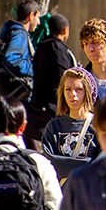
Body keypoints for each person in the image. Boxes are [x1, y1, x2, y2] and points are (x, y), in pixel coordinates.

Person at [28, 12, 78, 146]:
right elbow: (64, 77)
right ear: (65, 30)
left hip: (38, 107)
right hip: (53, 110)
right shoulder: (58, 50)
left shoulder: (41, 48)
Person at [42, 66, 103, 173]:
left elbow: (101, 164)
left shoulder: (100, 126)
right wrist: (87, 164)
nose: (73, 94)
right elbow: (49, 164)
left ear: (87, 92)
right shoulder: (54, 127)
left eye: (79, 89)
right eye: (68, 89)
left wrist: (63, 164)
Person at [0, 2, 40, 100]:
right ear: (30, 16)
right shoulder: (19, 35)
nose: (39, 22)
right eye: (38, 17)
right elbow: (11, 59)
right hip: (19, 96)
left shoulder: (15, 33)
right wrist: (33, 68)